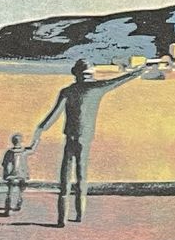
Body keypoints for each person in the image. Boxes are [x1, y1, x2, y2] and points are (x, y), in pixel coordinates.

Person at [31, 58, 144, 226]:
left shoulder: (68, 91)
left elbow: (54, 115)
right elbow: (119, 80)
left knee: (66, 179)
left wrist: (40, 129)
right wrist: (139, 71)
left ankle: (63, 219)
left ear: (76, 74)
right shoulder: (97, 88)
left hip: (71, 138)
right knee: (81, 177)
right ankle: (78, 216)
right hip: (83, 138)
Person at [0, 132, 33, 214]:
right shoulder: (24, 151)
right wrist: (36, 140)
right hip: (22, 174)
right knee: (21, 191)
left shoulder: (9, 152)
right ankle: (18, 204)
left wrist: (6, 174)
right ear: (21, 141)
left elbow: (4, 164)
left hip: (11, 174)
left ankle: (8, 207)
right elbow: (32, 149)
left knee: (10, 191)